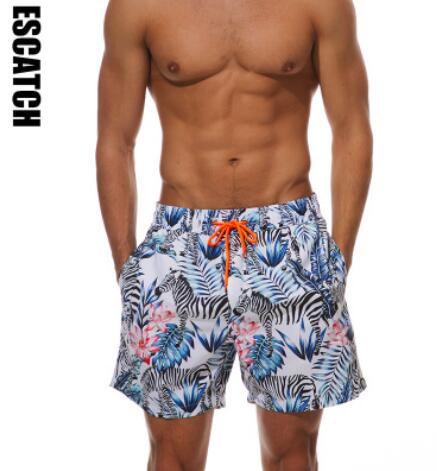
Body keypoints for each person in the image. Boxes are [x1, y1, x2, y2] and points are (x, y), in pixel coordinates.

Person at [96, 0, 372, 469]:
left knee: (292, 452)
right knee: (172, 456)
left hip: (288, 242)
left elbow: (352, 129)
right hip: (180, 244)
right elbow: (114, 140)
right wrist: (129, 269)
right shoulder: (138, 6)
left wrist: (337, 259)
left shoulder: (321, 4)